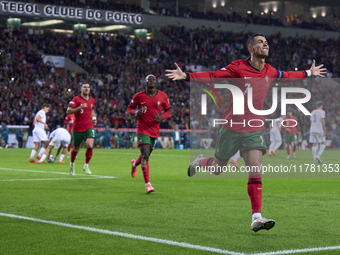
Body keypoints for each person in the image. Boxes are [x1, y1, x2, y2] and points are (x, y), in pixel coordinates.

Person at [165, 33, 326, 232]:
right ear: (251, 48)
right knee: (217, 168)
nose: (265, 44)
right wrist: (187, 76)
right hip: (231, 127)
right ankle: (199, 162)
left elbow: (287, 75)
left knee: (255, 166)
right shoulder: (238, 67)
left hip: (254, 127)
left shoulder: (269, 70)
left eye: (266, 42)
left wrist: (308, 73)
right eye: (260, 41)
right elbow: (214, 76)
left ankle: (256, 217)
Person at [128, 74, 171, 193]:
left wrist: (161, 117)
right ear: (145, 83)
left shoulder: (163, 96)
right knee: (145, 155)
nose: (151, 81)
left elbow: (168, 111)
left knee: (146, 155)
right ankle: (148, 184)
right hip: (142, 129)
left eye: (153, 79)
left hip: (154, 130)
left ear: (156, 83)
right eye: (149, 80)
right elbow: (129, 108)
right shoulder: (139, 96)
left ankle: (134, 164)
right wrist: (135, 112)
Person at [66, 82, 97, 176]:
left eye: (88, 87)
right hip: (77, 128)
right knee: (76, 149)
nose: (87, 89)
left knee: (90, 145)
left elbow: (92, 110)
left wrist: (94, 118)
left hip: (89, 126)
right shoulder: (76, 99)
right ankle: (72, 165)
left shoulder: (92, 100)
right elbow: (68, 111)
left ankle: (86, 165)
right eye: (85, 87)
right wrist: (79, 107)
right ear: (81, 89)